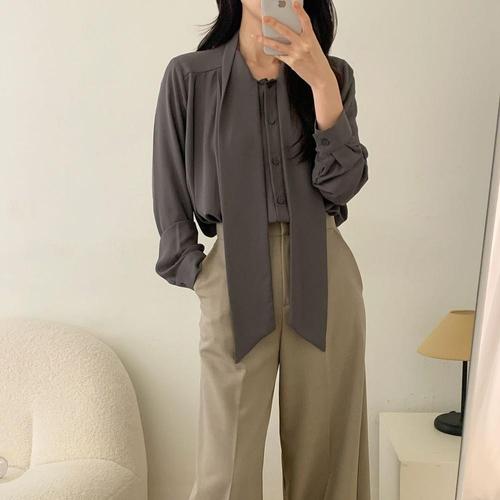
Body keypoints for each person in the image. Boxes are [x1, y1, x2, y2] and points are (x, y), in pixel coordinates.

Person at [152, 1, 370, 498]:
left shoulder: (334, 74)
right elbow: (169, 187)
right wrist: (198, 272)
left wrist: (319, 81)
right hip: (232, 275)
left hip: (324, 271)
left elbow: (342, 185)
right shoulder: (190, 77)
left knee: (328, 465)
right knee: (224, 472)